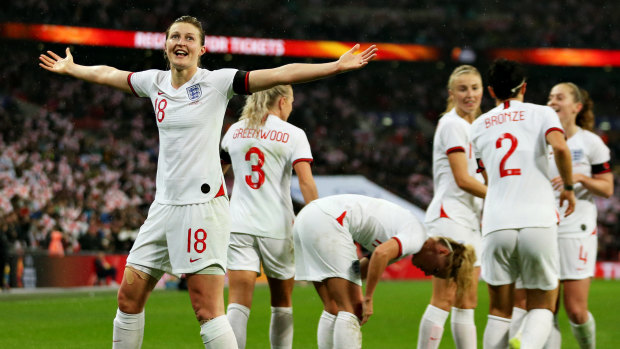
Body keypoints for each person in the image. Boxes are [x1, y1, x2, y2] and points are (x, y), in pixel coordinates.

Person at [39, 15, 377, 349]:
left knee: (206, 309)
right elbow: (109, 74)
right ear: (165, 44)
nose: (181, 43)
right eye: (175, 37)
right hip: (163, 207)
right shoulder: (153, 82)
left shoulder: (217, 82)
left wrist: (334, 66)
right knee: (128, 298)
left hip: (201, 209)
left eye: (189, 38)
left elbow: (279, 73)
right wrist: (73, 68)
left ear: (202, 48)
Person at [469, 58, 576, 349]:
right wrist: (568, 187)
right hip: (537, 219)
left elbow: (489, 178)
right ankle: (526, 344)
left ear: (491, 91)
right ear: (524, 87)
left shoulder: (477, 127)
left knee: (499, 311)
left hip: (496, 221)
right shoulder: (542, 113)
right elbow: (561, 147)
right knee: (543, 304)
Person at [293, 194, 477, 349]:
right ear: (442, 251)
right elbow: (380, 253)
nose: (428, 273)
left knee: (332, 307)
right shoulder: (417, 237)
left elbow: (358, 269)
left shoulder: (404, 241)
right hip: (329, 220)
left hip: (307, 217)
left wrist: (349, 276)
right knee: (352, 309)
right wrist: (368, 297)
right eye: (436, 269)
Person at [510, 83, 613, 349]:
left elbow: (607, 188)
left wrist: (579, 177)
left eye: (559, 97)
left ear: (576, 107)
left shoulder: (590, 142)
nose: (552, 101)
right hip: (543, 227)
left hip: (576, 230)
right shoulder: (538, 140)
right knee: (547, 307)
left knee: (576, 311)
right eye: (549, 96)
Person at [220, 84, 318, 349]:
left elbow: (218, 175)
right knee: (282, 302)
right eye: (292, 103)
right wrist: (320, 221)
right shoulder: (293, 134)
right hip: (277, 225)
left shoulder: (234, 131)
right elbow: (306, 183)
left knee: (238, 302)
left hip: (238, 223)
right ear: (283, 101)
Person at [419, 65, 487, 349]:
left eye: (474, 88)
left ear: (483, 91)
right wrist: (503, 196)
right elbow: (462, 179)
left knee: (467, 301)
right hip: (450, 217)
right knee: (444, 298)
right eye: (463, 89)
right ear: (452, 94)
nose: (469, 94)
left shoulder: (475, 127)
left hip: (469, 219)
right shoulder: (452, 124)